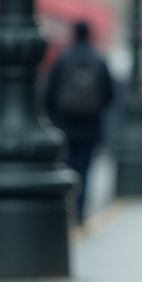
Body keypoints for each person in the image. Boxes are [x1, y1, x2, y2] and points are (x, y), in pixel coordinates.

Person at [44, 20, 114, 225]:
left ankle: (65, 209)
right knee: (84, 170)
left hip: (64, 126)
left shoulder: (62, 59)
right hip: (90, 127)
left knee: (65, 168)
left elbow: (49, 94)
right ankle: (80, 212)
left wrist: (54, 119)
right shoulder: (98, 60)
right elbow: (109, 95)